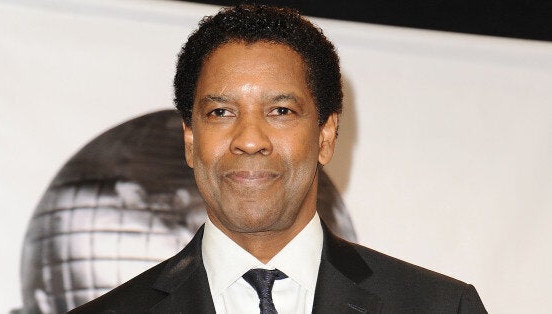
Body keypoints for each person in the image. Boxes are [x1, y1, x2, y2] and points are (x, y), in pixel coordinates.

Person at [69, 4, 486, 313]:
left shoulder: (441, 307)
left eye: (280, 111)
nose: (250, 141)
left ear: (325, 135)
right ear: (191, 141)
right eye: (221, 113)